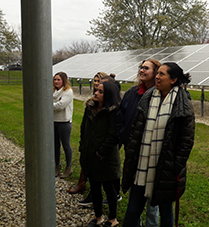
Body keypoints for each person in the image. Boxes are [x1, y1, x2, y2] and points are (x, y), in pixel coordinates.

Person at [122, 62, 195, 227]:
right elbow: (136, 129)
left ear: (173, 79)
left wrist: (174, 166)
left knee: (166, 214)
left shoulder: (183, 103)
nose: (157, 76)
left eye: (162, 74)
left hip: (165, 169)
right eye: (157, 73)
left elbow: (186, 141)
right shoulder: (148, 97)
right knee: (132, 211)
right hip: (141, 165)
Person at [117, 58, 161, 227]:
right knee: (135, 192)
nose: (142, 71)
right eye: (141, 68)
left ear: (156, 72)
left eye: (146, 68)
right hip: (132, 151)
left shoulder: (160, 95)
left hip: (151, 152)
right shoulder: (132, 92)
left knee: (152, 196)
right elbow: (120, 117)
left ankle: (151, 224)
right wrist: (124, 136)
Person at [79, 81, 121, 227]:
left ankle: (112, 219)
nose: (95, 93)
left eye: (100, 91)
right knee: (95, 188)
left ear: (108, 95)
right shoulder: (89, 109)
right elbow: (83, 130)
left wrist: (101, 152)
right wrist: (82, 147)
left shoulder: (113, 112)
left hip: (106, 158)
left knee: (110, 190)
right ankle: (98, 217)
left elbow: (112, 136)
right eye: (96, 90)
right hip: (90, 155)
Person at [67, 72, 108, 197]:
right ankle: (82, 183)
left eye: (99, 81)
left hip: (100, 140)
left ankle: (96, 191)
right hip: (89, 138)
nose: (96, 83)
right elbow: (84, 125)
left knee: (99, 166)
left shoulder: (108, 105)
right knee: (86, 159)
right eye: (95, 81)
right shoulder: (90, 103)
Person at [53, 72, 74, 178]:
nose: (56, 82)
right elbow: (55, 105)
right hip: (53, 121)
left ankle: (68, 167)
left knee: (66, 145)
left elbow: (60, 105)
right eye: (55, 79)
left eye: (58, 80)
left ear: (64, 81)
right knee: (55, 145)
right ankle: (57, 166)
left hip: (64, 122)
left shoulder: (68, 92)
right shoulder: (54, 92)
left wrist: (48, 105)